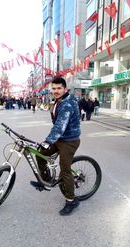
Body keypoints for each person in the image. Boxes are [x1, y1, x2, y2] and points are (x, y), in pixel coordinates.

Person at [30, 77, 81, 216]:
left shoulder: (68, 103)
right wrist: (47, 143)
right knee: (39, 153)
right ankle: (45, 181)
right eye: (54, 88)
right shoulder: (58, 101)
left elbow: (60, 126)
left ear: (65, 89)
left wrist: (48, 140)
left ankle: (71, 201)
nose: (56, 91)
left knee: (65, 170)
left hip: (70, 140)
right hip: (59, 139)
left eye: (59, 88)